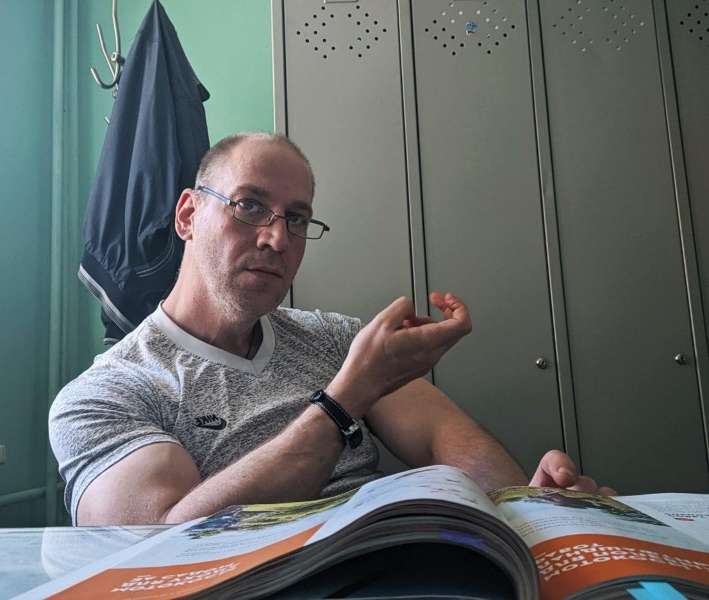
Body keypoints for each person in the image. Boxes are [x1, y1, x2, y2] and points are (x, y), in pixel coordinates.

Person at [50, 132, 615, 526]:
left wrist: (526, 511)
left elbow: (443, 436)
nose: (276, 238)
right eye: (249, 206)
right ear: (188, 215)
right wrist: (345, 400)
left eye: (296, 218)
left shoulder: (332, 338)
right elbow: (160, 547)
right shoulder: (105, 395)